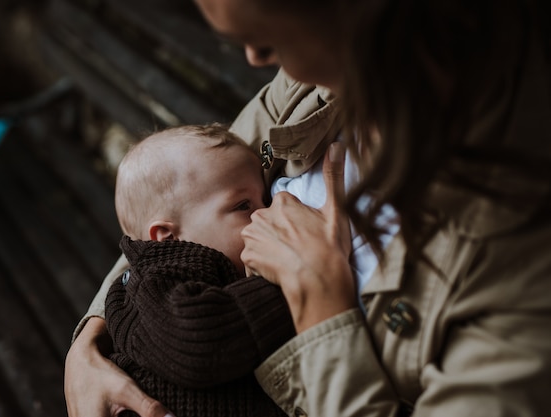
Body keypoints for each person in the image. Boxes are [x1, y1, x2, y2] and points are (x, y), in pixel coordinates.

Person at [65, 0, 551, 416]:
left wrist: (321, 308)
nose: (256, 58)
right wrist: (89, 343)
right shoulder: (317, 86)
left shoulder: (520, 274)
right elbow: (172, 204)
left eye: (269, 40)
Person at [104, 124, 296, 417]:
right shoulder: (154, 286)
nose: (265, 213)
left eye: (264, 200)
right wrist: (296, 282)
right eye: (243, 205)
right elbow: (201, 341)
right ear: (168, 236)